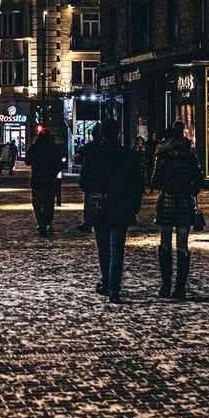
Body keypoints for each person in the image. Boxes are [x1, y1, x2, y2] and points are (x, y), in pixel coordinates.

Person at [79, 118, 145, 303]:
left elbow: (84, 183)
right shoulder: (127, 155)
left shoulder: (94, 155)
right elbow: (137, 182)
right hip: (121, 208)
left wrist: (97, 190)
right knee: (117, 248)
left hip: (101, 207)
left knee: (103, 248)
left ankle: (107, 283)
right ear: (118, 133)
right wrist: (134, 205)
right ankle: (114, 288)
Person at [152, 121, 203, 300]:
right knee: (182, 244)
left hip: (166, 200)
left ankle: (166, 285)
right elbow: (199, 179)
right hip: (184, 201)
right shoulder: (189, 154)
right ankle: (180, 288)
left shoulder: (163, 154)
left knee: (165, 242)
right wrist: (190, 189)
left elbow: (155, 181)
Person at [26, 127, 62, 236]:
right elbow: (59, 163)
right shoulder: (53, 148)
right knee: (49, 203)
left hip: (37, 180)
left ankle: (41, 222)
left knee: (37, 204)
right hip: (50, 180)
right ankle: (47, 221)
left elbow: (27, 161)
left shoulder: (35, 147)